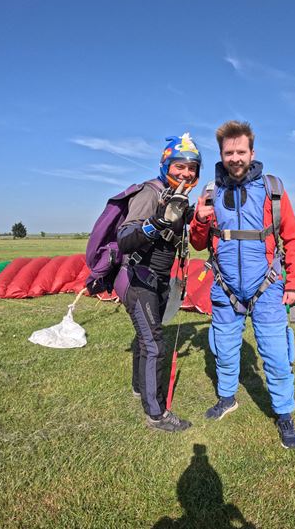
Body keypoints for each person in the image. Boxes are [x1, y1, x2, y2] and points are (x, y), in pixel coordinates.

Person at [190, 120, 295, 448]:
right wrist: (199, 220)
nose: (235, 158)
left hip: (267, 287)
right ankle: (227, 398)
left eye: (241, 152)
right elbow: (198, 244)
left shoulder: (272, 190)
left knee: (276, 356)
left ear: (252, 153)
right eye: (229, 153)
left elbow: (292, 238)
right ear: (221, 155)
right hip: (225, 288)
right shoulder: (211, 192)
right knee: (224, 351)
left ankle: (283, 413)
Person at [117, 133, 201, 432]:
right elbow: (125, 240)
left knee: (146, 339)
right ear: (166, 165)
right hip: (137, 279)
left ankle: (139, 387)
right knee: (154, 344)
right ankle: (156, 414)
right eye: (180, 166)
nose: (186, 173)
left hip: (159, 281)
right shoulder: (150, 193)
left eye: (192, 168)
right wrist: (156, 224)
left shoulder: (177, 197)